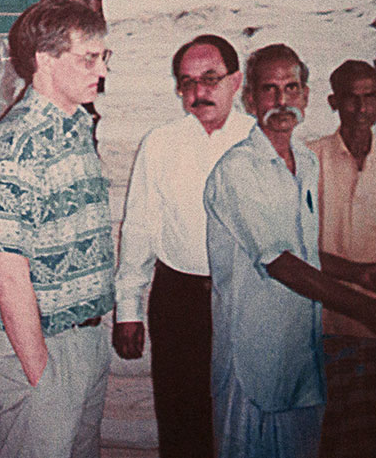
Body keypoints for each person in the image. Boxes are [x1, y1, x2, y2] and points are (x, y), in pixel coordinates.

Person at [203, 44, 376, 458]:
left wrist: (357, 272)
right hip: (252, 364)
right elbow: (280, 265)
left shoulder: (304, 161)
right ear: (250, 100)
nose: (281, 101)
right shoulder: (238, 170)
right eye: (269, 90)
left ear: (305, 95)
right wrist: (370, 310)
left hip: (300, 362)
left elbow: (300, 251)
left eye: (291, 88)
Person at [0, 0, 115, 458]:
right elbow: (8, 273)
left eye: (104, 58)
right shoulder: (13, 146)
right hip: (39, 345)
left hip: (84, 339)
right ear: (44, 60)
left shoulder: (75, 128)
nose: (102, 71)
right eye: (88, 58)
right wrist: (39, 371)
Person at [113, 35, 254, 458]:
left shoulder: (261, 140)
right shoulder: (161, 142)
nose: (198, 92)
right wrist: (128, 310)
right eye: (187, 82)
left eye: (211, 78)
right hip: (179, 299)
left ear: (237, 81)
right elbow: (139, 226)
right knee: (182, 422)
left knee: (248, 421)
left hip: (250, 297)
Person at [306, 60, 376, 458]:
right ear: (334, 102)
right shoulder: (309, 159)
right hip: (320, 319)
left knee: (366, 437)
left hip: (374, 321)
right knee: (322, 433)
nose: (361, 107)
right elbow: (296, 244)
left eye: (370, 96)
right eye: (351, 98)